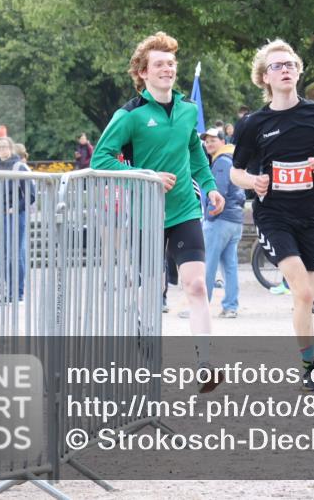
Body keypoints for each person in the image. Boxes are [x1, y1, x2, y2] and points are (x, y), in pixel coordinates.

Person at [92, 31, 225, 391]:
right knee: (148, 291)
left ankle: (205, 364)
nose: (167, 69)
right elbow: (100, 158)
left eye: (170, 63)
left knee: (197, 285)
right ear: (143, 73)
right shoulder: (129, 115)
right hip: (144, 214)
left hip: (183, 210)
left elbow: (195, 154)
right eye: (159, 64)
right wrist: (144, 175)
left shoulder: (188, 110)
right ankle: (144, 355)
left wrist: (210, 186)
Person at [230, 39, 314, 391]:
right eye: (277, 66)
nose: (285, 70)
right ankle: (310, 366)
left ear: (298, 72)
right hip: (274, 216)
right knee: (302, 291)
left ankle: (309, 334)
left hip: (311, 216)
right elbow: (235, 172)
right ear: (264, 77)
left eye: (290, 64)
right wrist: (254, 180)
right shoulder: (253, 123)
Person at [202, 127, 245, 318]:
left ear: (222, 141)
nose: (209, 144)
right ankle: (231, 306)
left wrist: (209, 217)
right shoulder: (233, 160)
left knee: (208, 264)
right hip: (235, 220)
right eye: (207, 141)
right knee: (230, 266)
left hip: (220, 219)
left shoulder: (220, 162)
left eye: (213, 140)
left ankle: (201, 307)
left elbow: (218, 192)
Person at [0, 137, 33, 303]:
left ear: (11, 148)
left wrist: (16, 207)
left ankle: (18, 293)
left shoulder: (19, 166)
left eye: (4, 146)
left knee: (14, 254)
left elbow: (30, 194)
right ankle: (7, 291)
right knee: (2, 254)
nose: (1, 150)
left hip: (13, 215)